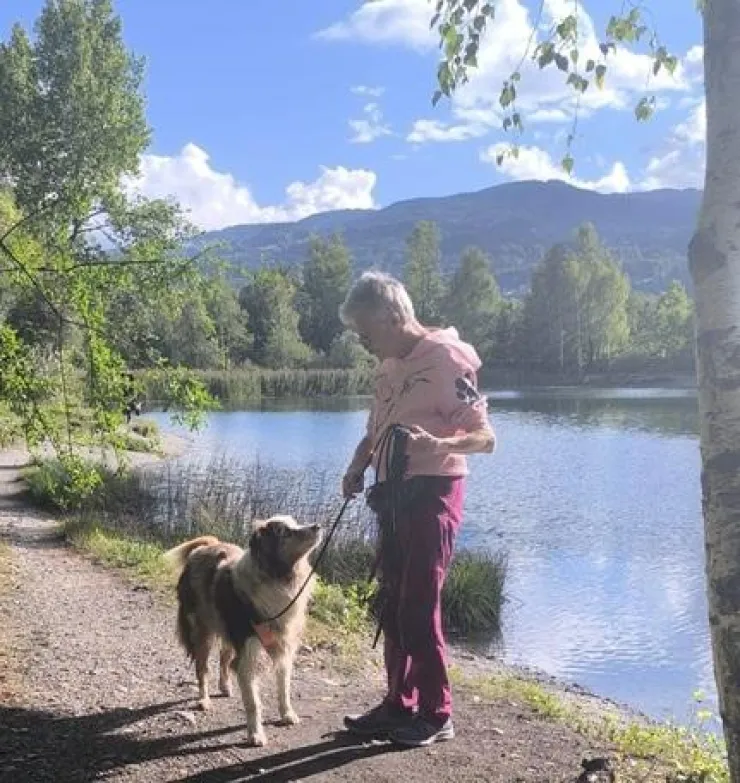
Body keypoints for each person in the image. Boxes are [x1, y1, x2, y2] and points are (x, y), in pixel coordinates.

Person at [338, 271, 495, 748]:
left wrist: (440, 444)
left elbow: (485, 438)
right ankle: (398, 703)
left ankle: (436, 713)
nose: (363, 342)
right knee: (392, 599)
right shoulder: (388, 366)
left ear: (392, 317)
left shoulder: (448, 359)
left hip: (434, 492)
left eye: (366, 331)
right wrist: (356, 467)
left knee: (419, 603)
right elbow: (375, 431)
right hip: (391, 493)